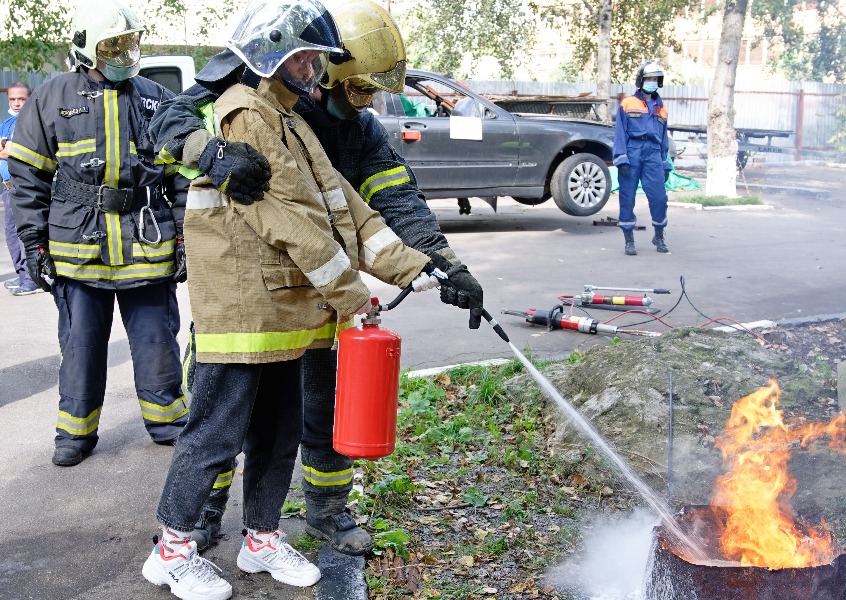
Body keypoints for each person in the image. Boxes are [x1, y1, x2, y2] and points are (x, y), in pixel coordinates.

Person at [149, 0, 484, 557]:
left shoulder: (359, 132)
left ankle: (325, 513)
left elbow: (391, 204)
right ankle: (201, 518)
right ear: (320, 68)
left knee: (320, 406)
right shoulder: (237, 90)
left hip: (319, 293)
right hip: (249, 289)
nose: (367, 100)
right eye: (358, 88)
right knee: (224, 412)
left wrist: (443, 265)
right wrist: (211, 155)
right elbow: (165, 126)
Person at [7, 0, 189, 467]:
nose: (124, 53)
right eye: (113, 45)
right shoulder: (51, 97)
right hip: (77, 250)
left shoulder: (154, 97)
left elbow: (184, 175)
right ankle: (75, 433)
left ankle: (167, 419)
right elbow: (26, 176)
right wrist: (33, 242)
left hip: (146, 245)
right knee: (82, 346)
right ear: (87, 48)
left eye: (130, 42)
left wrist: (188, 237)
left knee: (156, 342)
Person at [613, 60, 672, 255]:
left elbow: (664, 139)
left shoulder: (661, 108)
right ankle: (629, 239)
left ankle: (659, 235)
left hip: (653, 154)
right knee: (627, 197)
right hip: (632, 152)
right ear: (641, 80)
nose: (652, 82)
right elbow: (620, 133)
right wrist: (621, 158)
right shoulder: (628, 103)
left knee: (660, 198)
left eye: (656, 79)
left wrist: (665, 163)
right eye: (649, 78)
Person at [1, 82, 40, 295]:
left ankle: (31, 279)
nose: (16, 103)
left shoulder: (30, 121)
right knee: (11, 234)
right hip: (7, 187)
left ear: (29, 98)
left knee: (25, 233)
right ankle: (21, 274)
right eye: (12, 99)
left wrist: (6, 147)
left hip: (23, 186)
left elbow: (13, 152)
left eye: (21, 99)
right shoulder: (7, 123)